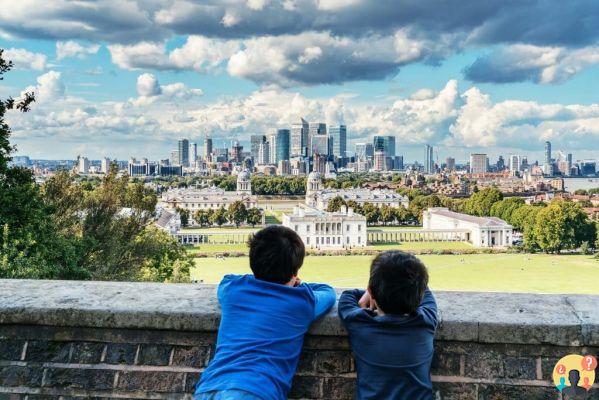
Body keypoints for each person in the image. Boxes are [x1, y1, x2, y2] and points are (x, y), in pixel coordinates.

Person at [194, 225, 336, 400]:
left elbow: (227, 280)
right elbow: (328, 293)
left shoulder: (234, 290)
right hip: (257, 390)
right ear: (294, 271)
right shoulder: (301, 302)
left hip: (210, 386)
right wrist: (298, 285)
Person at [338, 251, 438, 400]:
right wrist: (374, 291)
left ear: (371, 292)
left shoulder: (359, 323)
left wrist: (372, 292)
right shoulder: (426, 321)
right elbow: (424, 289)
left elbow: (347, 297)